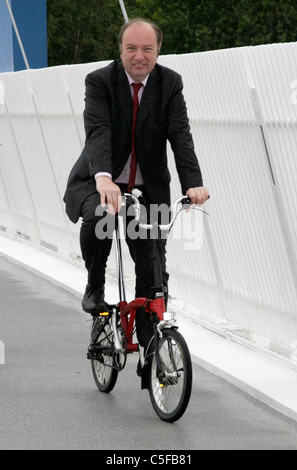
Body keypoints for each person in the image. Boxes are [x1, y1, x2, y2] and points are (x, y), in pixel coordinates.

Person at [64, 18, 209, 375]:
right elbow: (98, 130)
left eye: (147, 49)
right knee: (100, 218)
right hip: (98, 181)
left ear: (158, 50)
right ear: (120, 50)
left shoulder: (169, 84)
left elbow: (180, 137)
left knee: (152, 267)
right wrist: (103, 178)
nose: (139, 56)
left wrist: (193, 183)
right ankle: (95, 286)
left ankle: (151, 348)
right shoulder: (99, 82)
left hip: (147, 191)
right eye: (131, 48)